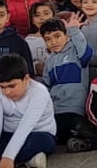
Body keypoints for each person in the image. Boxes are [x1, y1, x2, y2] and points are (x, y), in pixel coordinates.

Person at [35, 18, 93, 147]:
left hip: (74, 109)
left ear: (66, 36)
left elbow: (86, 54)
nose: (53, 42)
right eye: (48, 39)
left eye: (57, 36)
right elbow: (47, 87)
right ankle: (77, 140)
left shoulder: (76, 52)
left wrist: (74, 30)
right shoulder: (49, 62)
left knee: (79, 127)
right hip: (56, 111)